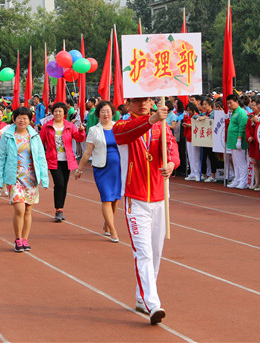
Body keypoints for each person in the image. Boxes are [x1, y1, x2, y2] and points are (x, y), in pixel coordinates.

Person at [113, 97, 179, 325]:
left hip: (161, 199)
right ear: (128, 103)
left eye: (147, 100)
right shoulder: (121, 126)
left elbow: (172, 149)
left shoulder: (164, 127)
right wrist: (152, 119)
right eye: (138, 101)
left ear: (153, 101)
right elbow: (127, 134)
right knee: (144, 253)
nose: (143, 104)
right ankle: (153, 304)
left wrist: (171, 163)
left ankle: (142, 297)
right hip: (135, 199)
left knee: (156, 253)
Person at [0, 106, 48, 252]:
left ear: (30, 120)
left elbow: (41, 157)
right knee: (19, 208)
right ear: (14, 119)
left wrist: (44, 177)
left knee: (28, 210)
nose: (22, 120)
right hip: (15, 177)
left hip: (31, 177)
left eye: (25, 118)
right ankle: (18, 239)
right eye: (19, 117)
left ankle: (25, 239)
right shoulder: (7, 136)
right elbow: (0, 157)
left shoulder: (34, 136)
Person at [75, 100, 121, 242]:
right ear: (98, 114)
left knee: (115, 200)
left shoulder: (119, 127)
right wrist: (80, 169)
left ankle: (108, 223)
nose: (105, 114)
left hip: (118, 168)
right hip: (102, 169)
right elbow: (88, 152)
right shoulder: (94, 130)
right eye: (102, 111)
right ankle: (113, 231)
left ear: (112, 113)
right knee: (106, 198)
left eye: (108, 111)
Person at [40, 102, 86, 222]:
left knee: (64, 186)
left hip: (67, 160)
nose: (58, 113)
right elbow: (40, 141)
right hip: (53, 159)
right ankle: (58, 209)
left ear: (64, 113)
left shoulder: (70, 126)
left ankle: (60, 209)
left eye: (60, 111)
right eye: (55, 111)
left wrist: (81, 131)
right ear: (52, 112)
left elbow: (79, 138)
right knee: (59, 184)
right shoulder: (47, 126)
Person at [226, 94, 248, 189]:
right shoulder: (234, 112)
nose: (229, 105)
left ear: (237, 102)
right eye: (228, 103)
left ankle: (244, 180)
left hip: (238, 141)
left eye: (230, 103)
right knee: (235, 162)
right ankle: (238, 178)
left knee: (241, 162)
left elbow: (242, 127)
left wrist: (239, 140)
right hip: (232, 141)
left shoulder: (241, 112)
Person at [195, 98, 220, 182]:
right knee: (203, 156)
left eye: (206, 104)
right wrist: (199, 116)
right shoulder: (204, 113)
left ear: (210, 104)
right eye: (203, 104)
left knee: (211, 157)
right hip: (204, 138)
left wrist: (206, 118)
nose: (204, 106)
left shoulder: (214, 113)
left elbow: (214, 121)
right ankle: (203, 174)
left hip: (212, 138)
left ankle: (213, 175)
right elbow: (194, 116)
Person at [183, 103, 201, 181]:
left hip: (195, 138)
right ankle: (193, 172)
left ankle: (197, 173)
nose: (188, 112)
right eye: (187, 110)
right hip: (188, 137)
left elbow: (198, 125)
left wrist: (189, 125)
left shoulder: (197, 116)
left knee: (196, 156)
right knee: (190, 156)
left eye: (189, 110)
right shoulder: (188, 116)